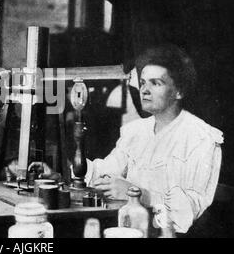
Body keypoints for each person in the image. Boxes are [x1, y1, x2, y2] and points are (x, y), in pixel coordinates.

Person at [88, 44, 223, 233]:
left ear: (179, 91)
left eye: (156, 83)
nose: (144, 90)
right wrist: (65, 169)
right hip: (128, 229)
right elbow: (105, 172)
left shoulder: (202, 138)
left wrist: (136, 193)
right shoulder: (135, 131)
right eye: (143, 82)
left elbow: (187, 213)